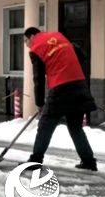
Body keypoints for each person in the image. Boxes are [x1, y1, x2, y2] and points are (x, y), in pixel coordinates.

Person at [22, 27, 98, 171]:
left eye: (26, 41)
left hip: (61, 89)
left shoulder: (37, 48)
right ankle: (89, 161)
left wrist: (39, 104)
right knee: (75, 128)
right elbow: (81, 54)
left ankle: (35, 160)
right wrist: (67, 67)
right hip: (79, 86)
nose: (26, 45)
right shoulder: (59, 37)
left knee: (45, 125)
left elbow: (38, 78)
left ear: (32, 37)